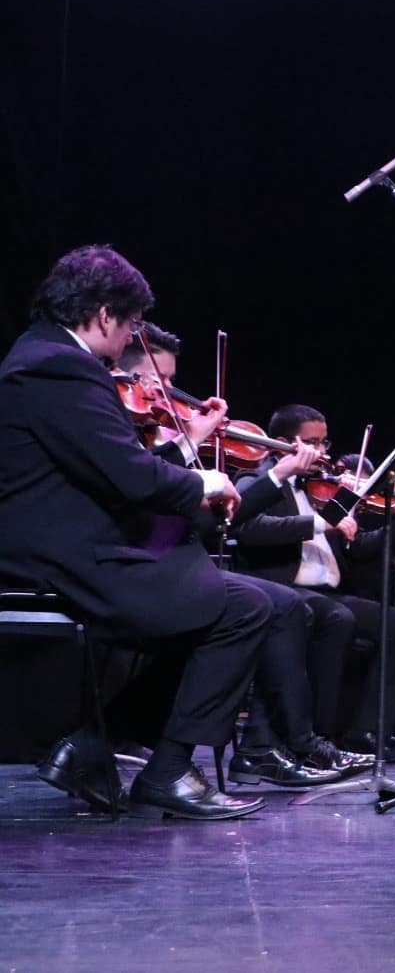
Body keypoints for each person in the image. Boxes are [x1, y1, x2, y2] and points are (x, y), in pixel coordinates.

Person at [0, 245, 271, 819]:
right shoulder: (61, 367)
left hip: (66, 540)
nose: (129, 341)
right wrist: (208, 484)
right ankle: (167, 772)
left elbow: (108, 462)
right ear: (103, 316)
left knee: (212, 596)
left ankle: (93, 746)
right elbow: (128, 473)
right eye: (129, 326)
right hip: (60, 553)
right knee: (241, 606)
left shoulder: (41, 356)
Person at [118, 328, 362, 787]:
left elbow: (213, 523)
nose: (165, 396)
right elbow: (159, 507)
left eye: (170, 384)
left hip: (175, 562)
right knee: (265, 606)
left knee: (286, 608)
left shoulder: (163, 439)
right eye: (155, 382)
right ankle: (263, 747)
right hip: (140, 565)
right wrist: (196, 445)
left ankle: (270, 745)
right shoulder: (128, 435)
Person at [230, 403, 395, 761]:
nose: (324, 454)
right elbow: (250, 529)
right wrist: (318, 524)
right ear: (283, 442)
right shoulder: (257, 482)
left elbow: (359, 549)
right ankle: (318, 737)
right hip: (282, 590)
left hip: (329, 593)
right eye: (314, 443)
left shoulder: (321, 489)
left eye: (325, 443)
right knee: (338, 618)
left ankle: (364, 732)